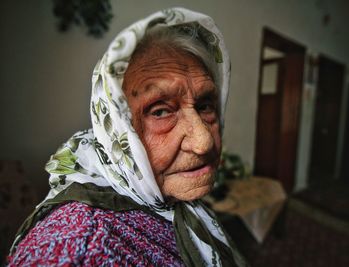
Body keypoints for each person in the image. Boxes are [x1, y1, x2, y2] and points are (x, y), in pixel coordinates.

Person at [7, 7, 247, 267]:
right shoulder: (85, 247)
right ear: (118, 131)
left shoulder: (171, 199)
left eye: (205, 106)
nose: (204, 142)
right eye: (161, 111)